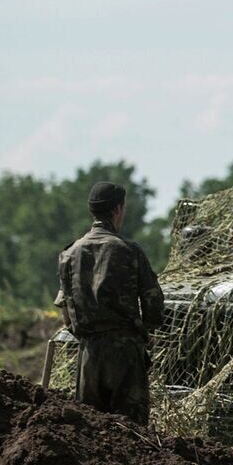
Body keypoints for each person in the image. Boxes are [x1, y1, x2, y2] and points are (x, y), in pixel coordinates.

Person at [56, 181, 165, 424]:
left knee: (91, 433)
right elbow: (154, 305)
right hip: (125, 354)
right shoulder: (129, 251)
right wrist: (144, 332)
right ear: (117, 209)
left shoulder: (69, 254)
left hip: (88, 356)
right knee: (132, 435)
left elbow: (66, 315)